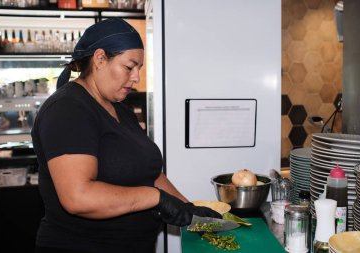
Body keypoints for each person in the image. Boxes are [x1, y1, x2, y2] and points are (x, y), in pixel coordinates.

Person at [31, 18, 221, 253]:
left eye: (139, 68)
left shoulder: (120, 109)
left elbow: (148, 172)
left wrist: (189, 209)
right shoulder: (68, 109)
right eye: (129, 67)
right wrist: (155, 198)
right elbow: (78, 198)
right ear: (100, 59)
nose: (136, 78)